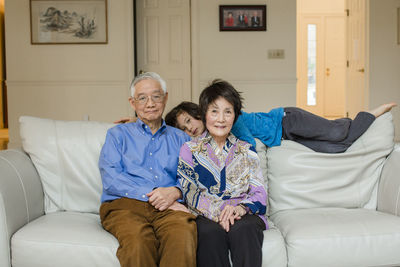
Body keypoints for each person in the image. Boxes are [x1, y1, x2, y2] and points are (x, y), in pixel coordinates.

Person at [99, 72, 197, 267]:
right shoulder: (117, 134)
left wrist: (175, 191)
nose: (150, 103)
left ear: (165, 98)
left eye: (156, 96)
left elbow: (192, 177)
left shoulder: (181, 139)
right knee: (138, 241)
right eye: (142, 98)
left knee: (182, 235)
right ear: (132, 103)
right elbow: (111, 178)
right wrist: (153, 196)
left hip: (169, 206)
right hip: (124, 205)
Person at [177, 80, 268, 267]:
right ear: (204, 115)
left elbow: (260, 193)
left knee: (245, 228)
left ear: (234, 116)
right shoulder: (189, 150)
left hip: (242, 214)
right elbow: (189, 192)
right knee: (209, 233)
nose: (221, 119)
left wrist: (239, 209)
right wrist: (219, 213)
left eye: (228, 111)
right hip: (206, 215)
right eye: (214, 111)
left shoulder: (247, 150)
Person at [164, 82, 396, 153]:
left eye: (189, 121)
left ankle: (367, 115)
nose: (189, 129)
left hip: (287, 120)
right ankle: (360, 123)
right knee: (338, 148)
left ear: (199, 114)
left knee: (337, 132)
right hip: (286, 137)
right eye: (183, 129)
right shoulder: (211, 135)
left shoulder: (234, 122)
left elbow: (248, 146)